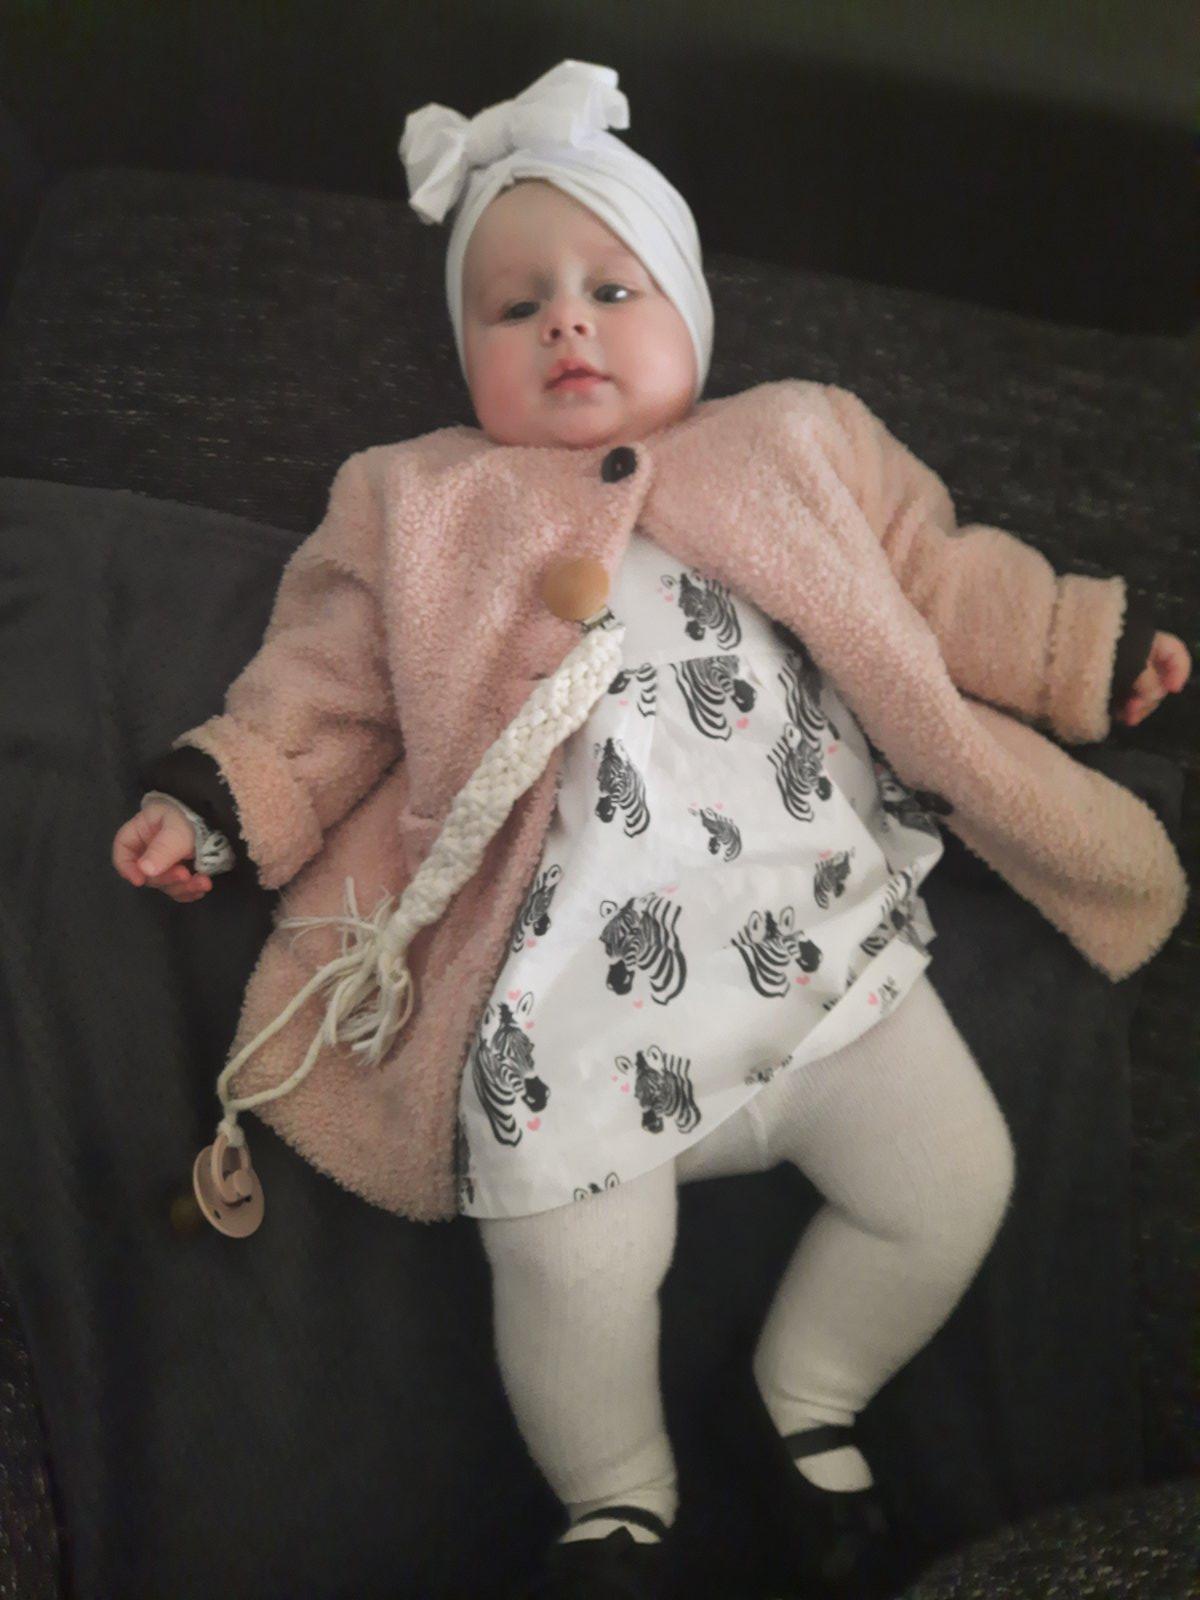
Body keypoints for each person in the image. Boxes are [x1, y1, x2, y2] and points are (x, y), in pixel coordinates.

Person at [110, 60, 1191, 1600]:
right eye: (516, 306)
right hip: (566, 1011)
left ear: (692, 318)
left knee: (954, 1183)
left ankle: (805, 1394)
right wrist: (214, 803)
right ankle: (617, 1505)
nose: (567, 323)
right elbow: (323, 687)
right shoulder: (417, 503)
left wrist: (1083, 648)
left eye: (612, 289)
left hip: (817, 959)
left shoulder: (799, 441)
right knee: (565, 1261)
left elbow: (944, 579)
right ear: (467, 360)